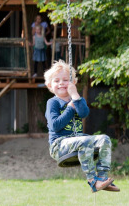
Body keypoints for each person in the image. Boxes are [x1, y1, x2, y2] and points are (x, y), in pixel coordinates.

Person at [44, 60, 120, 192]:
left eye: (65, 80)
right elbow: (55, 126)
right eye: (57, 81)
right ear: (50, 85)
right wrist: (69, 109)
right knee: (84, 141)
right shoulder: (53, 103)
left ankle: (102, 178)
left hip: (78, 140)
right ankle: (92, 181)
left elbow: (84, 113)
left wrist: (75, 96)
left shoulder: (77, 99)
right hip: (59, 145)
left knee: (105, 139)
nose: (61, 83)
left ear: (73, 83)